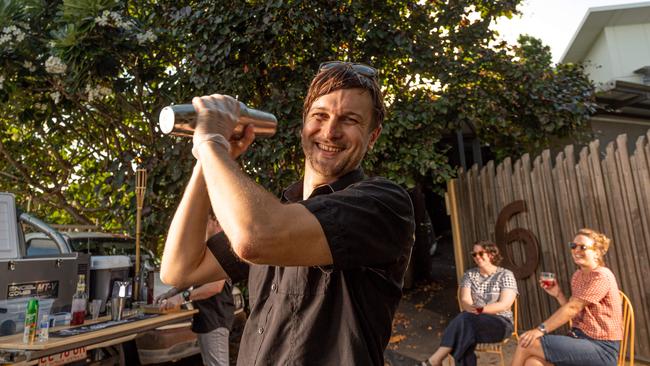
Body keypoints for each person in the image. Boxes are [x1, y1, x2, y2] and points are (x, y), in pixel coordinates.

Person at [160, 61, 415, 365]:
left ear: (373, 136)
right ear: (303, 125)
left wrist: (211, 143)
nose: (330, 131)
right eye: (320, 116)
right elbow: (180, 269)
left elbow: (254, 238)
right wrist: (207, 159)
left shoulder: (383, 205)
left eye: (349, 120)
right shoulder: (280, 211)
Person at [512, 228, 622, 366]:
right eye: (573, 246)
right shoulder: (578, 276)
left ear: (597, 253)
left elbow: (573, 308)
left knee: (526, 343)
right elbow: (576, 313)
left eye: (583, 247)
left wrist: (540, 329)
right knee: (533, 362)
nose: (576, 250)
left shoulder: (602, 276)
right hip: (578, 339)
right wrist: (558, 293)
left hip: (602, 348)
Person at [420, 241, 517, 366]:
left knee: (463, 323)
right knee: (465, 332)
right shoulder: (469, 275)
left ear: (492, 254)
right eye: (474, 254)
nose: (477, 256)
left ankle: (435, 360)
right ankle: (435, 361)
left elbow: (505, 304)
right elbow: (465, 300)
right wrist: (474, 311)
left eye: (481, 253)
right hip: (472, 322)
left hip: (500, 323)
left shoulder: (505, 275)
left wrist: (481, 310)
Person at [156, 215, 234, 366]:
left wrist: (181, 298)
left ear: (216, 221)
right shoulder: (209, 248)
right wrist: (171, 293)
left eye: (204, 221)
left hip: (216, 319)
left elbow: (215, 287)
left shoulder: (224, 247)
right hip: (206, 318)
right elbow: (194, 278)